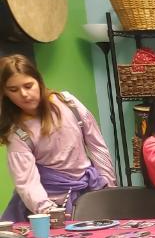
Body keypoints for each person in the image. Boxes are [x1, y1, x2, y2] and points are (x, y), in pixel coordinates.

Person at [1, 54, 116, 221]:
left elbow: (97, 146)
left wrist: (109, 187)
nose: (24, 94)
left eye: (28, 86)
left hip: (90, 195)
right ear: (5, 93)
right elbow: (27, 183)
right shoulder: (17, 133)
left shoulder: (69, 103)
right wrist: (51, 213)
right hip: (49, 205)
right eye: (13, 90)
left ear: (39, 81)